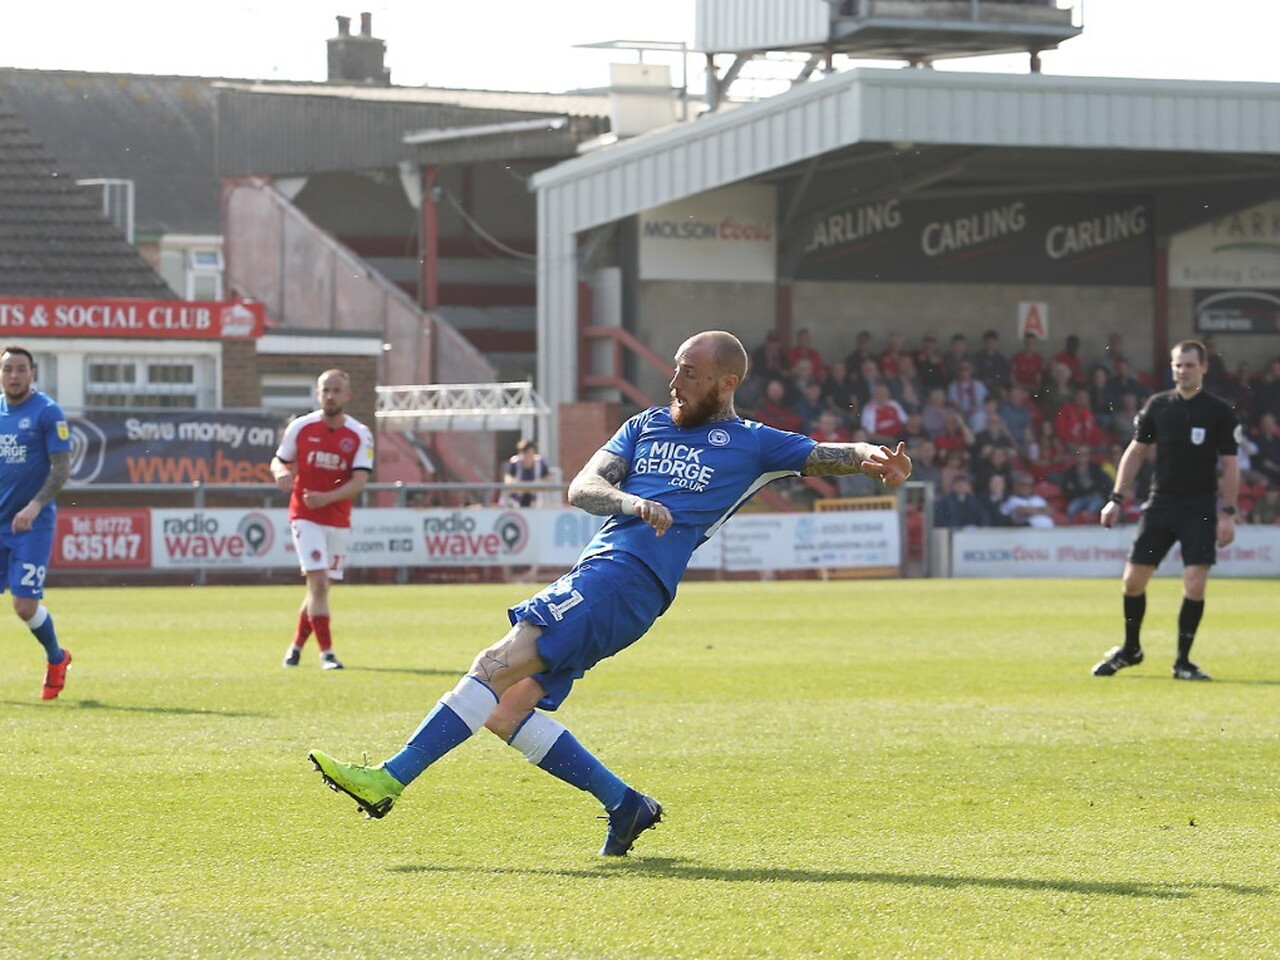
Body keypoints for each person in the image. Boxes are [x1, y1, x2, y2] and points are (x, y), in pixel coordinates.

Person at [307, 330, 911, 856]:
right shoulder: (644, 426)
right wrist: (629, 502)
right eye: (675, 368)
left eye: (691, 374)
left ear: (727, 382)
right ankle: (625, 805)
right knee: (505, 707)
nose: (675, 382)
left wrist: (876, 459)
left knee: (493, 664)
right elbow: (582, 486)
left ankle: (389, 779)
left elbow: (829, 454)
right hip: (602, 571)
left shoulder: (753, 443)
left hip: (629, 580)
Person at [1094, 340, 1240, 682]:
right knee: (1132, 581)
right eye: (1177, 365)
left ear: (1203, 367)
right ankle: (1131, 650)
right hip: (1161, 503)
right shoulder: (1158, 406)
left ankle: (1183, 662)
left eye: (1189, 365)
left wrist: (1228, 513)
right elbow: (1136, 451)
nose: (1182, 371)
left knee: (1194, 583)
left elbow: (1230, 464)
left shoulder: (1219, 411)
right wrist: (1116, 498)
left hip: (1199, 506)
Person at [273, 369, 374, 671]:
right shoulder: (301, 427)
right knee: (317, 582)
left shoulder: (359, 434)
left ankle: (295, 648)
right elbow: (280, 460)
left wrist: (327, 498)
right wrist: (280, 472)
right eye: (325, 390)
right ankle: (327, 654)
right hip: (305, 515)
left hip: (337, 518)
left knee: (320, 589)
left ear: (347, 395)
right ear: (317, 394)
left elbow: (359, 481)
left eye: (336, 390)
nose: (330, 396)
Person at [0, 346, 72, 700]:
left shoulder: (47, 412)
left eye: (20, 369)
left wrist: (35, 505)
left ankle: (56, 658)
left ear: (33, 373)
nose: (13, 376)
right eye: (7, 369)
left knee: (24, 606)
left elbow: (62, 467)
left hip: (31, 525)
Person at [504, 439, 549, 508]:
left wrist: (537, 484)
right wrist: (521, 486)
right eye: (523, 453)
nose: (526, 456)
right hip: (516, 500)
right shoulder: (514, 463)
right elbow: (507, 480)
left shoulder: (540, 463)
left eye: (528, 452)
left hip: (536, 501)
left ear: (533, 452)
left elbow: (548, 479)